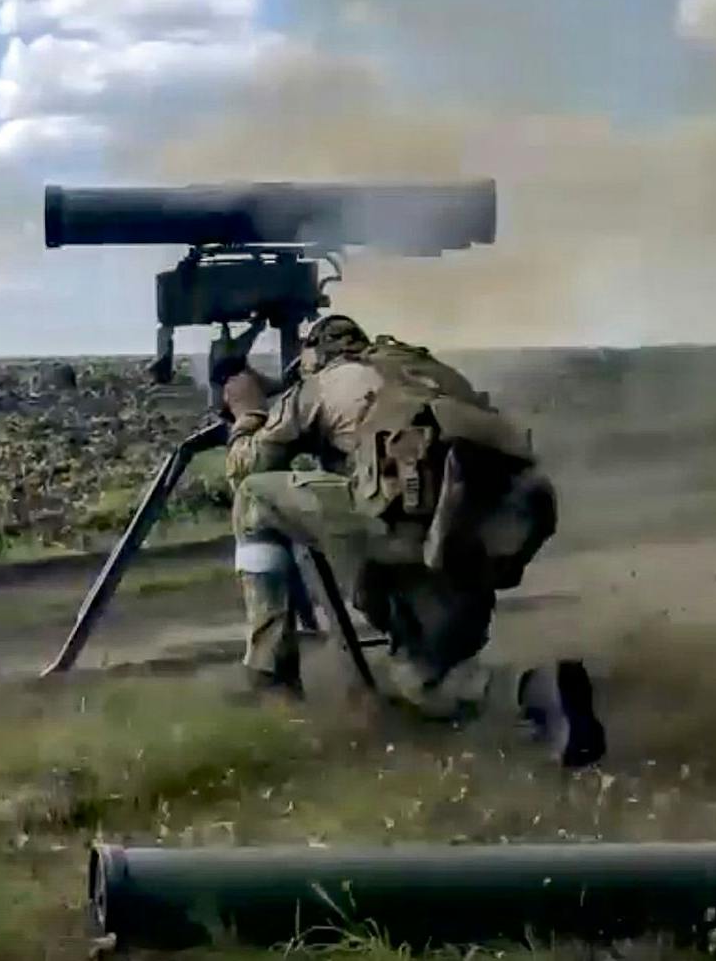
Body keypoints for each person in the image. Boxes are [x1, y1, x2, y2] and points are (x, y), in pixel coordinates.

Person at [222, 313, 606, 768]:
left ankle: (272, 679)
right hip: (474, 539)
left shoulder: (323, 382)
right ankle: (538, 690)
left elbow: (246, 467)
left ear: (315, 355)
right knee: (425, 682)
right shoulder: (426, 373)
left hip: (403, 528)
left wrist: (247, 410)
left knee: (253, 499)